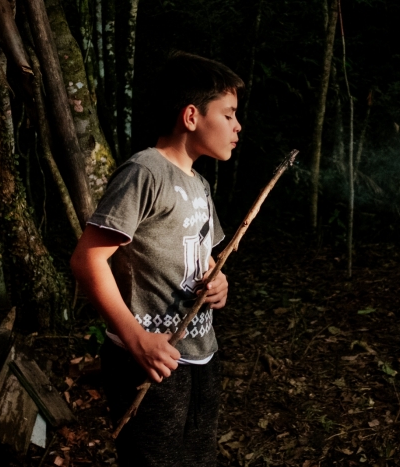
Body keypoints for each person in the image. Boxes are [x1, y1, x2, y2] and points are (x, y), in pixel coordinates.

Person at [70, 51, 244, 467]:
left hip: (200, 353)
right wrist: (135, 339)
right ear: (190, 116)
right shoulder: (145, 171)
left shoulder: (199, 183)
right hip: (149, 361)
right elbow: (86, 260)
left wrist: (218, 284)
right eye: (229, 114)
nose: (238, 126)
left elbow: (203, 260)